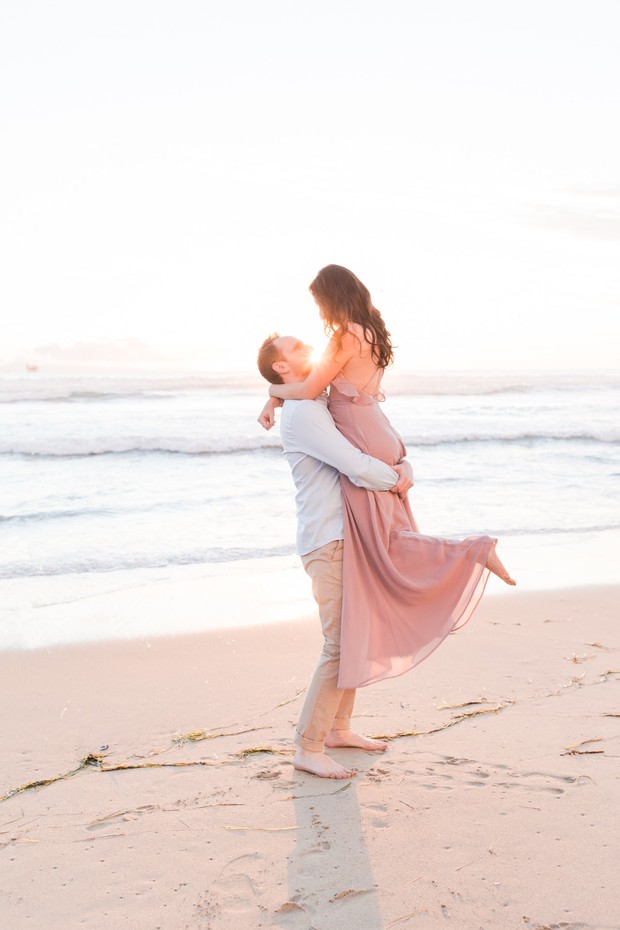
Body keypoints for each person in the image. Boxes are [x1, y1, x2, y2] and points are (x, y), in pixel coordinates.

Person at [259, 264, 515, 694]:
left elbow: (307, 392)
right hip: (379, 427)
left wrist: (270, 393)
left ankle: (471, 550)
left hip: (360, 433)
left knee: (383, 542)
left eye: (319, 301)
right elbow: (321, 389)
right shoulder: (371, 331)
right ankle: (468, 552)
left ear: (330, 297)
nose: (318, 312)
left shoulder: (343, 336)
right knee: (389, 537)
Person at [257, 332, 414, 779]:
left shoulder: (310, 400)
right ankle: (307, 746)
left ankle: (338, 730)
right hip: (328, 542)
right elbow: (355, 464)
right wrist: (400, 477)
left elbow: (361, 425)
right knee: (339, 644)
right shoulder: (305, 413)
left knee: (355, 636)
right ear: (283, 367)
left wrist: (271, 394)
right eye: (298, 349)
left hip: (347, 536)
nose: (311, 350)